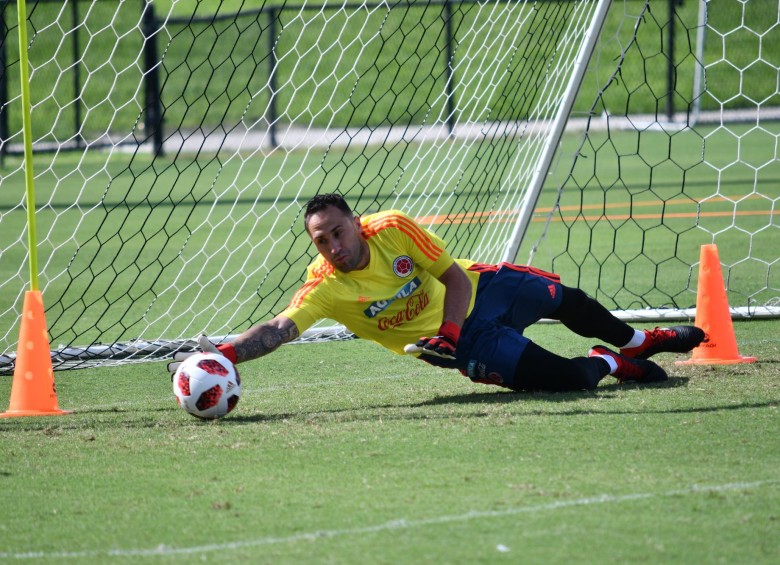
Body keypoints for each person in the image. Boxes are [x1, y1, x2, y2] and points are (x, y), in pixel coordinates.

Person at [169, 193, 705, 392]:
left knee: (566, 298)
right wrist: (228, 353)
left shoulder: (393, 227)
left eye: (339, 231)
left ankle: (637, 340)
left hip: (476, 292)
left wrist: (447, 331)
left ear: (357, 223)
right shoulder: (326, 287)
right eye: (321, 239)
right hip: (466, 346)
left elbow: (450, 278)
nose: (333, 244)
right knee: (567, 381)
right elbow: (281, 328)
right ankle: (610, 365)